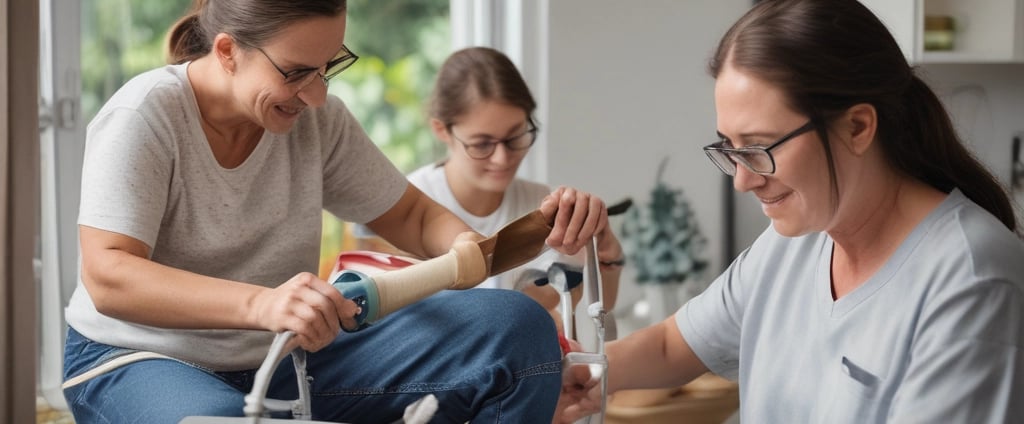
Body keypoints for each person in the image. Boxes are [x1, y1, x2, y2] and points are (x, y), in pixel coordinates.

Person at [61, 1, 608, 423]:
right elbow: (110, 274)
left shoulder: (316, 120)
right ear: (227, 51)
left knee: (517, 329)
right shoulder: (145, 115)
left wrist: (469, 246)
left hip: (285, 357)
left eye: (330, 67)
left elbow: (414, 219)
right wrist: (262, 303)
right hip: (137, 359)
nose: (316, 95)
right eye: (297, 71)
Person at [557, 0, 1024, 422]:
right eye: (731, 148)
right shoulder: (792, 244)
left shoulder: (972, 279)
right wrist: (582, 372)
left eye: (759, 147)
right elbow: (672, 345)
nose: (742, 179)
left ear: (857, 127)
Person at [358, 46, 623, 335]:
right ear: (441, 130)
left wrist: (604, 252)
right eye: (482, 144)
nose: (502, 158)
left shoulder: (544, 207)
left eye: (515, 136)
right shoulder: (397, 212)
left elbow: (594, 314)